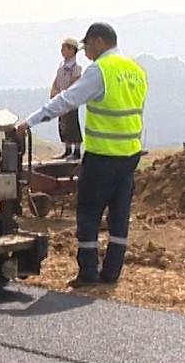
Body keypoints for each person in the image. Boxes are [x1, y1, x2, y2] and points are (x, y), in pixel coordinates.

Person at [15, 23, 146, 287]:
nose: (86, 53)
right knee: (119, 216)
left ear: (99, 41)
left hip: (102, 156)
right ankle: (111, 273)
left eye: (87, 47)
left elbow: (67, 100)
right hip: (130, 155)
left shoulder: (101, 71)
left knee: (88, 214)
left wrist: (29, 122)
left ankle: (88, 272)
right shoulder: (135, 71)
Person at [50, 37, 83, 159]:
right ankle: (67, 149)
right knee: (63, 124)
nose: (62, 51)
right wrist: (53, 90)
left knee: (72, 123)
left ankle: (77, 150)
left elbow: (75, 83)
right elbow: (56, 79)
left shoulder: (76, 66)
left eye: (64, 48)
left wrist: (65, 94)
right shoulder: (62, 64)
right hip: (60, 99)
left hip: (70, 100)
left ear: (72, 50)